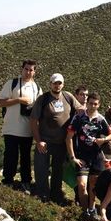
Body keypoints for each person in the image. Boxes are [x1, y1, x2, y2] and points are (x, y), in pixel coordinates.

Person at [30, 73, 83, 204]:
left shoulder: (68, 96)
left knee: (58, 170)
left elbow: (80, 108)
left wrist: (85, 110)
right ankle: (42, 195)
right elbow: (33, 120)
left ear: (63, 84)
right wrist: (38, 141)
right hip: (45, 142)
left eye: (59, 83)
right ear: (50, 84)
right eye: (54, 83)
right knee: (41, 169)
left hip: (61, 142)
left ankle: (55, 195)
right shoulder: (43, 99)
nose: (57, 85)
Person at [65, 92, 111, 221]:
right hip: (82, 157)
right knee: (82, 186)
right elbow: (69, 137)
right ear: (87, 103)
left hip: (96, 157)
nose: (93, 106)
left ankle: (91, 210)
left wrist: (103, 140)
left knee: (93, 186)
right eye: (90, 103)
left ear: (99, 105)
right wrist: (72, 157)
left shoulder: (100, 119)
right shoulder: (79, 117)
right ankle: (84, 210)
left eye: (95, 104)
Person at [0, 59, 42, 194]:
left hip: (27, 129)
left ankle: (26, 182)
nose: (28, 72)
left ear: (35, 72)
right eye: (26, 69)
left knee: (25, 157)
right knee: (10, 155)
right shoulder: (12, 84)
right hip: (11, 128)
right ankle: (8, 181)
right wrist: (18, 100)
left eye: (31, 70)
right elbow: (0, 102)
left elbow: (39, 110)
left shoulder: (37, 88)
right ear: (21, 69)